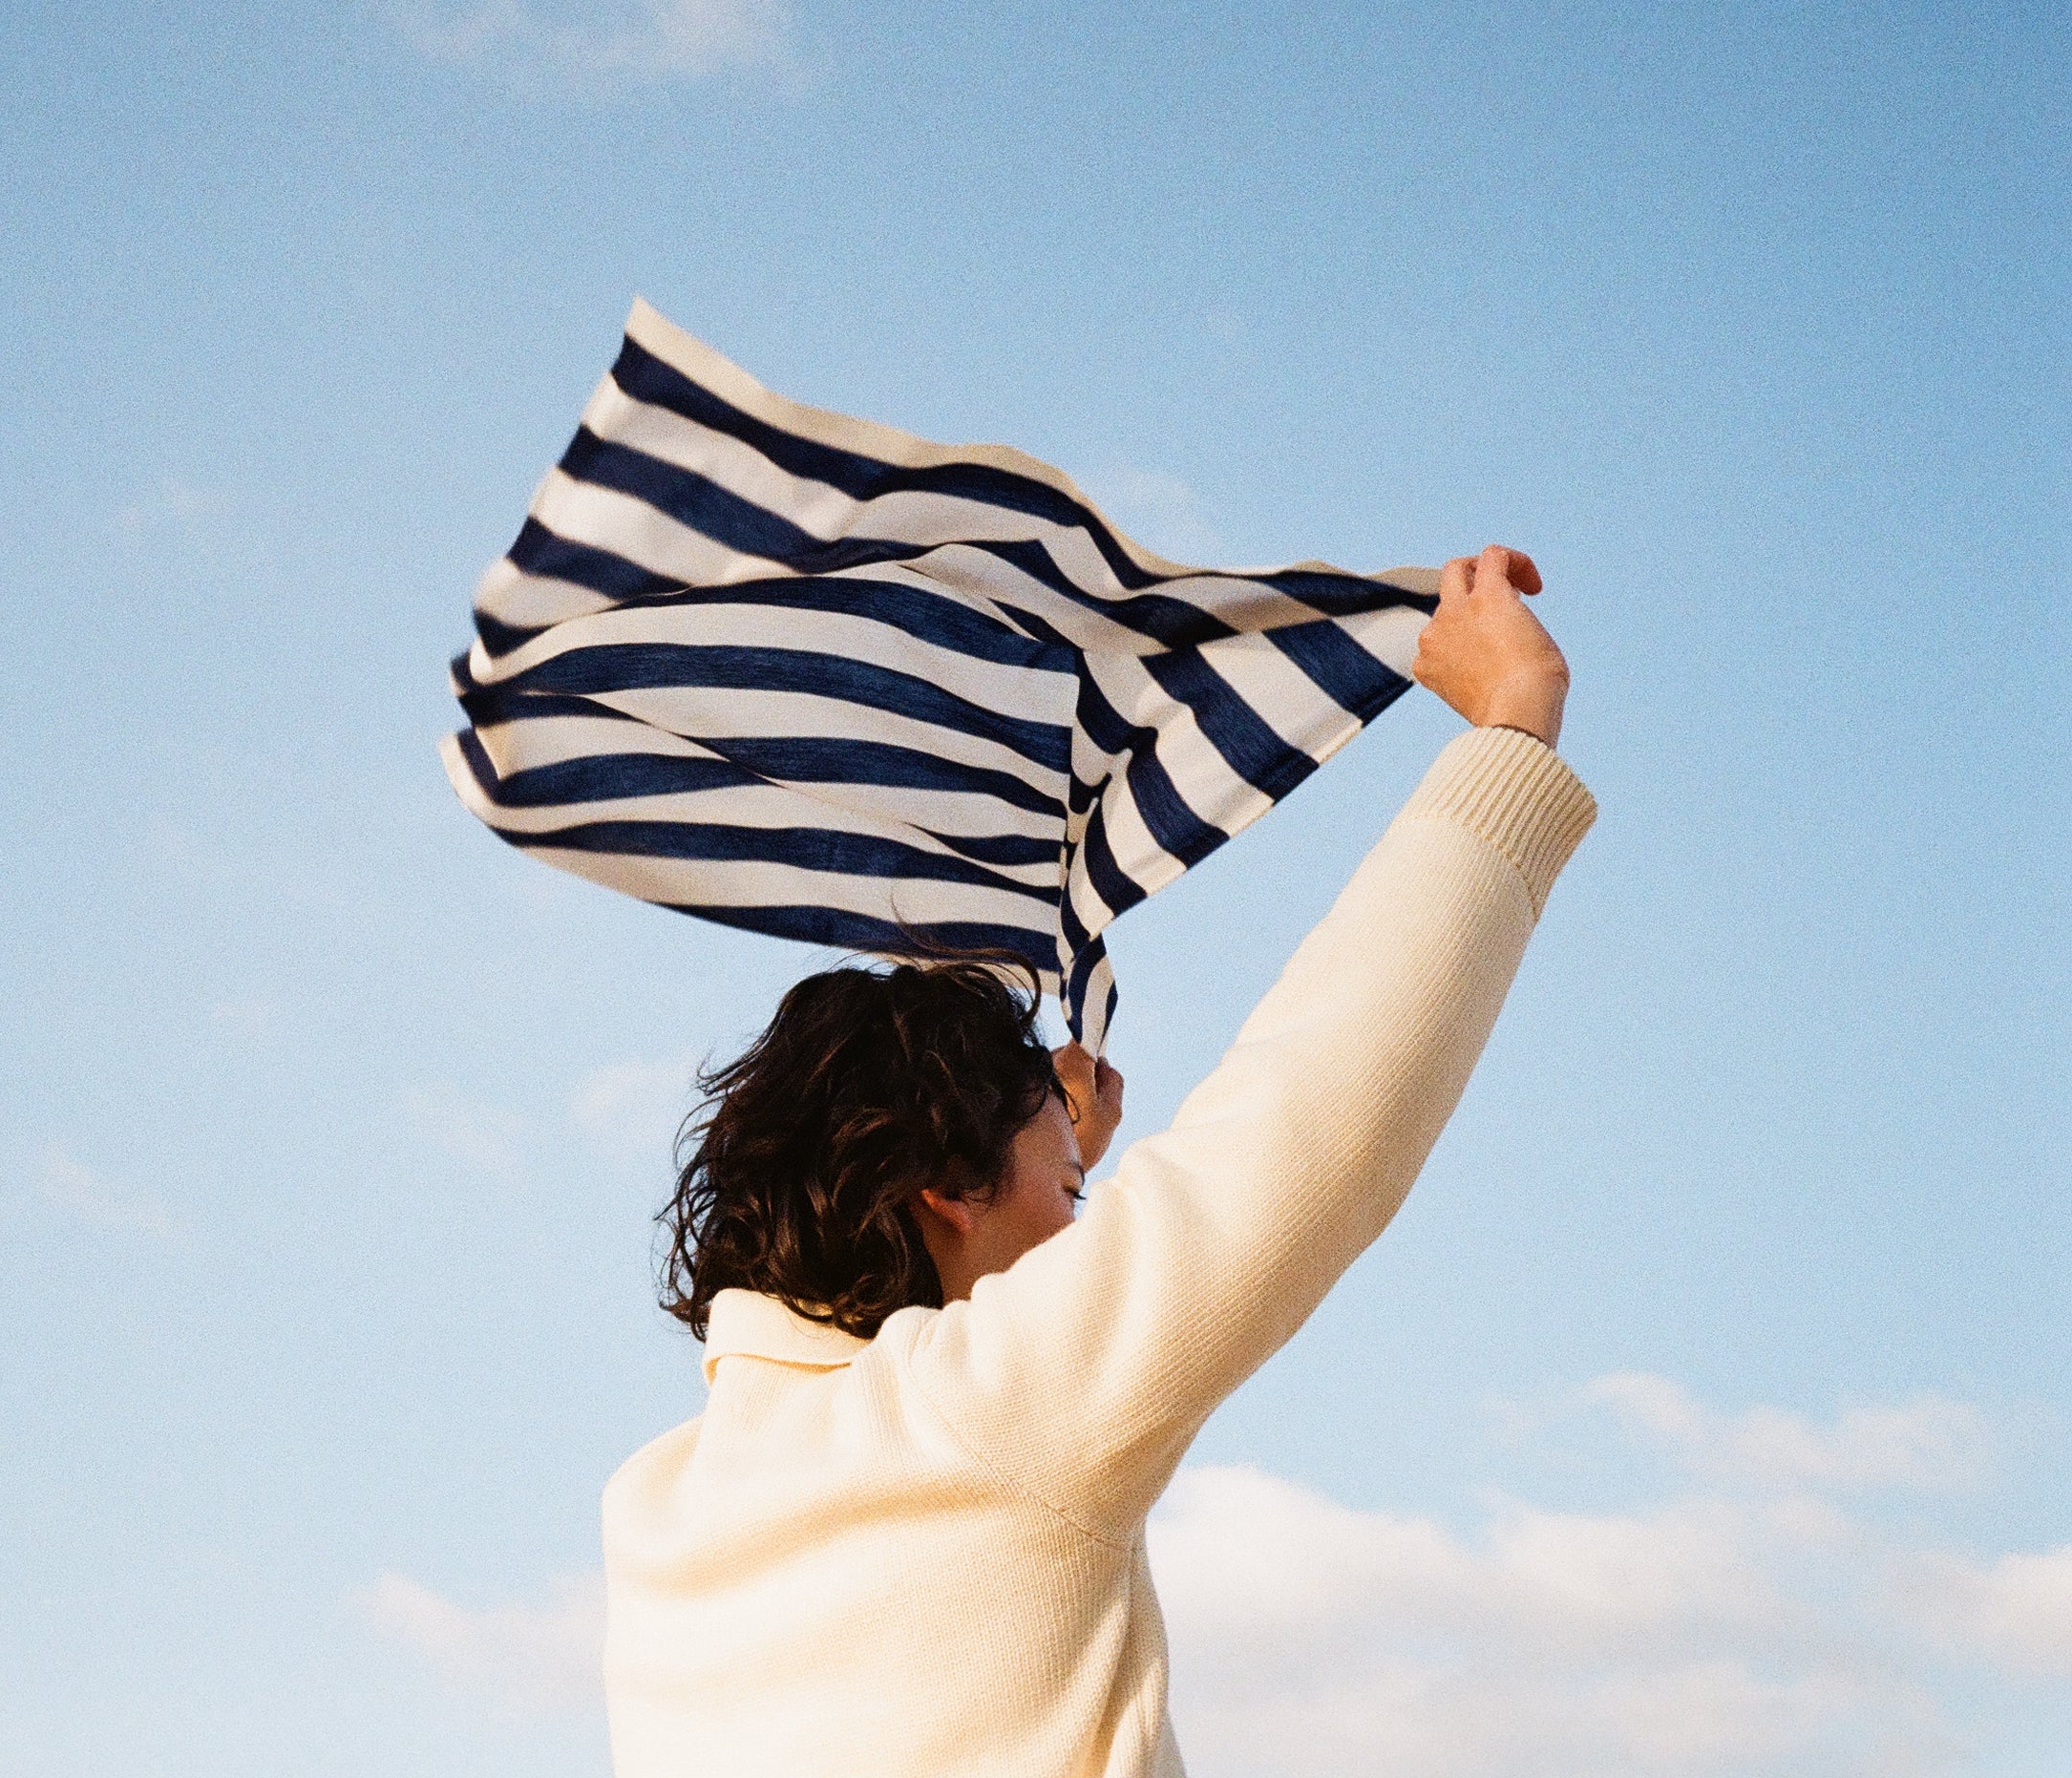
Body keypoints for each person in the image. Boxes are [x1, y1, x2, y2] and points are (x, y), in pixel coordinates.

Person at [603, 545, 1595, 1778]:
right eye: (1073, 1195)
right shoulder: (971, 1416)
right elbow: (1308, 1122)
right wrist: (1510, 733)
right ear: (944, 1192)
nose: (1083, 1230)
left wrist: (1038, 1153)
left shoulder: (659, 1511)